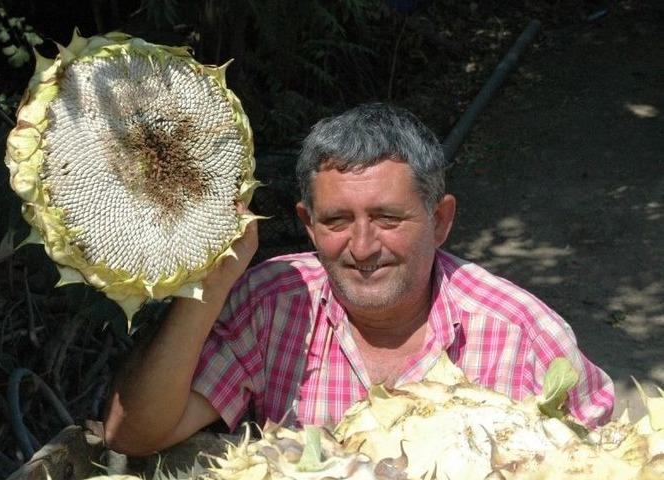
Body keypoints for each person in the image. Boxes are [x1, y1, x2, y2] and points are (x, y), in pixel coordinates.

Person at [103, 102, 615, 456]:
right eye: (336, 221)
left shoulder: (523, 335)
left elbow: (608, 462)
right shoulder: (273, 302)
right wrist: (211, 285)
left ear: (440, 221)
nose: (364, 247)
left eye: (389, 219)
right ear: (307, 224)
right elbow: (133, 435)